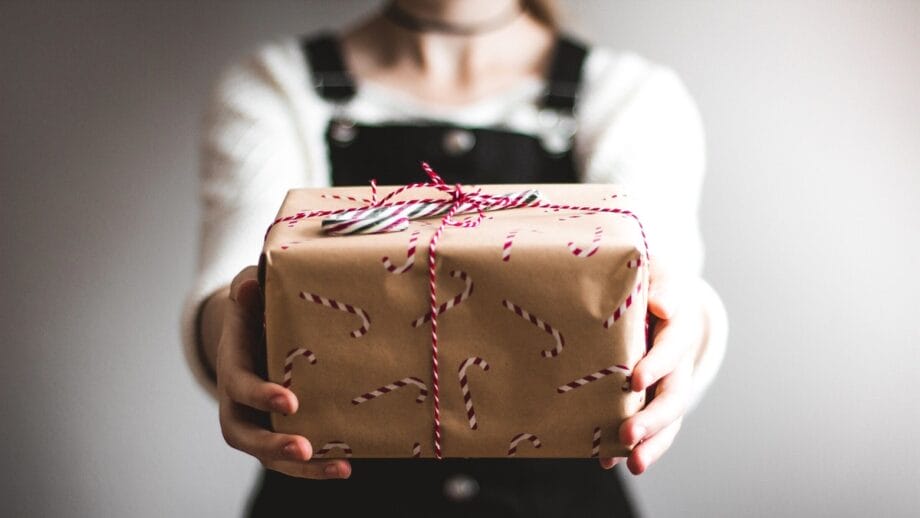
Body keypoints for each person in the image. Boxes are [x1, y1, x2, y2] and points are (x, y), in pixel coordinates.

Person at [181, 1, 728, 516]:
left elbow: (666, 277)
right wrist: (233, 336)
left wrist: (684, 330)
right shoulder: (275, 87)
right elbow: (233, 283)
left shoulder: (630, 95)